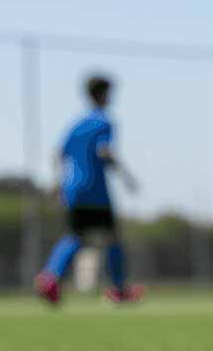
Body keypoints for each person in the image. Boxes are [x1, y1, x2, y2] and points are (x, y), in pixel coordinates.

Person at [34, 74, 144, 304]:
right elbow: (103, 150)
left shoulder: (77, 125)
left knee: (75, 236)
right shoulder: (104, 122)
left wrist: (57, 183)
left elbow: (59, 154)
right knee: (112, 237)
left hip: (73, 189)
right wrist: (126, 176)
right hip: (95, 190)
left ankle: (49, 278)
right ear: (103, 94)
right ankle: (119, 289)